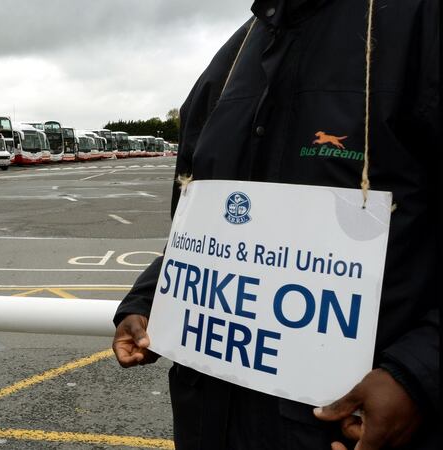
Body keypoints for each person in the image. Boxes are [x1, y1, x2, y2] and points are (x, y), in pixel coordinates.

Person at [113, 0, 439, 449]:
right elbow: (204, 229)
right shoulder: (232, 58)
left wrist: (418, 377)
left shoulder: (418, 24)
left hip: (348, 429)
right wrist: (152, 300)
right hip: (209, 423)